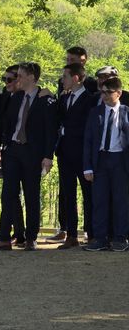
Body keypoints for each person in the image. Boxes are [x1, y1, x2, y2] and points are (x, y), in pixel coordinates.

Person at [0, 62, 57, 251]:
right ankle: (3, 238)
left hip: (33, 153)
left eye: (21, 76)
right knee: (8, 193)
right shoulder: (15, 98)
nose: (18, 80)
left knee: (32, 194)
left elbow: (51, 131)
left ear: (32, 77)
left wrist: (48, 156)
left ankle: (31, 238)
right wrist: (4, 146)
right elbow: (6, 123)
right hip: (13, 151)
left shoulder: (45, 100)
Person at [83, 77, 129, 252]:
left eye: (108, 92)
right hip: (100, 161)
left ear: (119, 93)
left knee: (121, 201)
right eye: (102, 92)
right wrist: (87, 166)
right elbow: (88, 141)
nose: (104, 95)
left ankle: (120, 238)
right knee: (99, 200)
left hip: (120, 161)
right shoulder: (95, 112)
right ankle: (99, 238)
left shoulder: (126, 112)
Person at [55, 63, 94, 249]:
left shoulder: (90, 99)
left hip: (82, 154)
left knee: (88, 194)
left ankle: (92, 233)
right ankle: (71, 234)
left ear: (76, 78)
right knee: (68, 194)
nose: (63, 80)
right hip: (64, 153)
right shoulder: (64, 98)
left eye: (65, 77)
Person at [0, 65, 26, 246]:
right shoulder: (6, 96)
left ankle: (25, 234)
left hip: (25, 152)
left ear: (19, 80)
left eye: (9, 79)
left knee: (23, 194)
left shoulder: (28, 97)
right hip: (8, 150)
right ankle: (17, 232)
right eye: (4, 79)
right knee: (10, 193)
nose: (6, 83)